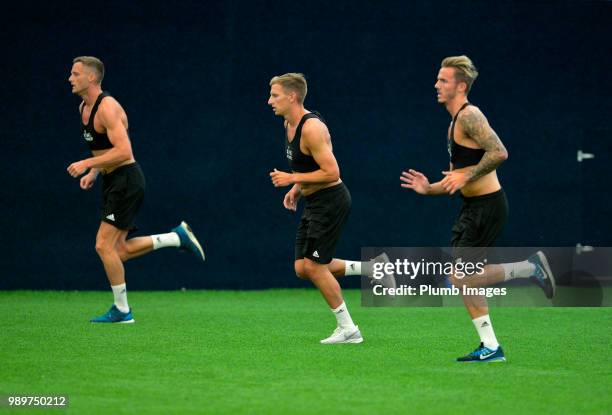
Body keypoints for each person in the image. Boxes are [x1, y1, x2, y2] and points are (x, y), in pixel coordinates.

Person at [400, 56, 555, 362]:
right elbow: (454, 179)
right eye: (438, 79)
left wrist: (468, 175)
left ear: (461, 85)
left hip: (487, 207)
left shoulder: (470, 115)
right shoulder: (454, 123)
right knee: (464, 279)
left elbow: (499, 152)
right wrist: (428, 188)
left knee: (459, 278)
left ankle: (528, 268)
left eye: (443, 80)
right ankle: (490, 347)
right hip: (472, 207)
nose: (436, 85)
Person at [67, 56, 205, 323]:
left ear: (92, 78)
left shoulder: (107, 107)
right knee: (118, 251)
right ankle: (176, 238)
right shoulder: (83, 107)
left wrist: (86, 163)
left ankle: (122, 311)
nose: (70, 78)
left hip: (126, 180)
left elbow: (124, 151)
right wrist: (95, 172)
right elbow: (104, 149)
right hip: (113, 180)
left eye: (75, 74)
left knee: (102, 245)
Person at [268, 73, 395, 344]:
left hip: (331, 200)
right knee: (303, 268)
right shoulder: (287, 124)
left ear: (292, 96)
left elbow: (332, 171)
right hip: (315, 201)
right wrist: (297, 189)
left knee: (315, 267)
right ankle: (373, 270)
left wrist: (292, 179)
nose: (270, 101)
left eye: (275, 95)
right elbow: (307, 167)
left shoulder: (311, 128)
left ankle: (349, 329)